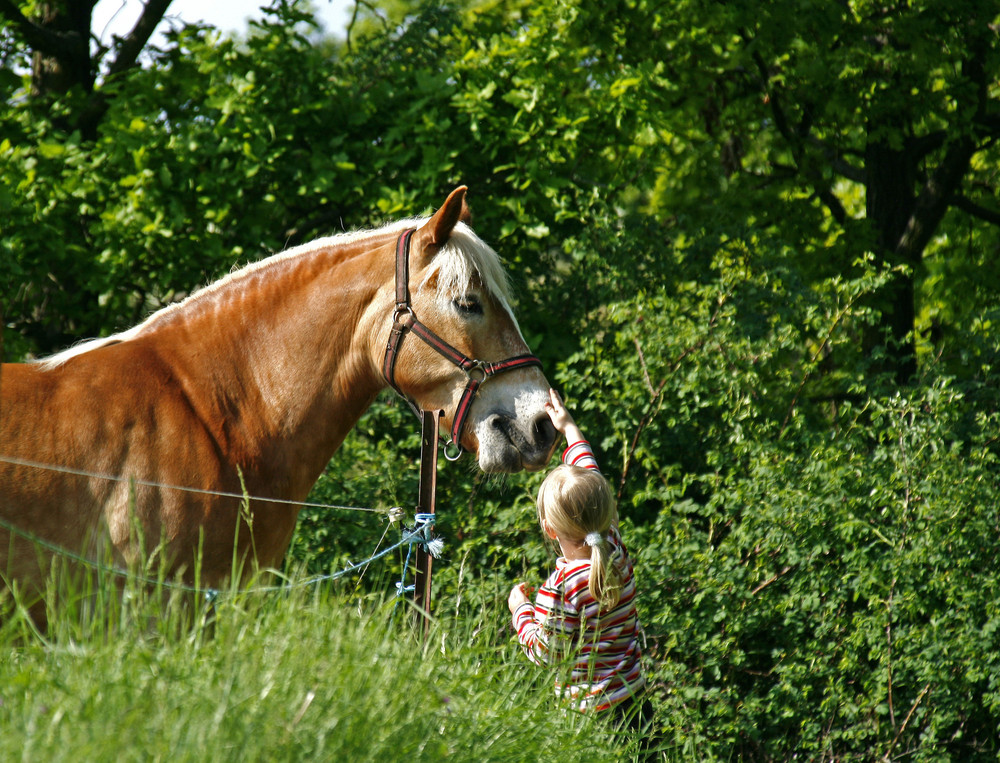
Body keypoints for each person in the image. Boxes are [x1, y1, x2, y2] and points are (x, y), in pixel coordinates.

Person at [508, 388, 651, 735]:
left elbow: (546, 653)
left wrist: (520, 611)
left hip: (591, 717)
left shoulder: (561, 587)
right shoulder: (612, 544)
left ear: (550, 530)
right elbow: (590, 478)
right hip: (636, 702)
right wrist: (569, 427)